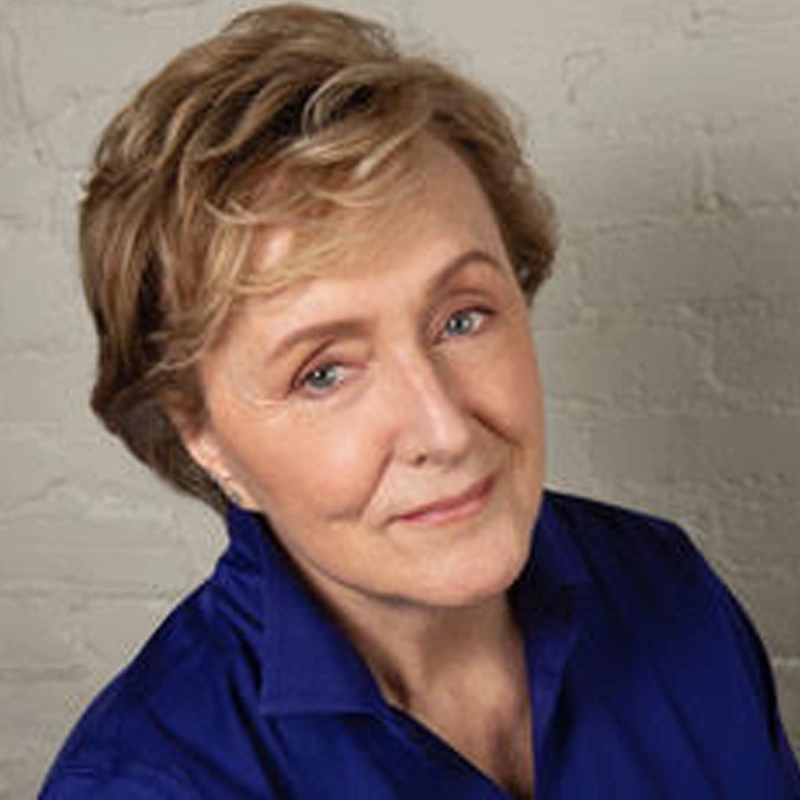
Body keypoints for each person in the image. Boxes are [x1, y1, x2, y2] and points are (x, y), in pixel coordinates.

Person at [40, 4, 799, 798]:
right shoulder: (147, 784)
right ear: (202, 437)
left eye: (462, 318)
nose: (443, 428)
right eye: (323, 373)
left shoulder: (665, 585)